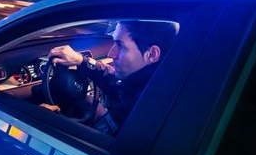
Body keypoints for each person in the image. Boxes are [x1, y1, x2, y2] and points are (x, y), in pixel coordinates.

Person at [47, 20, 178, 135]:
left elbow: (91, 142)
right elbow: (114, 82)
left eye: (121, 46)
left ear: (152, 54)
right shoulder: (157, 83)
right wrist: (81, 60)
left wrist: (48, 118)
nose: (111, 54)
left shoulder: (141, 109)